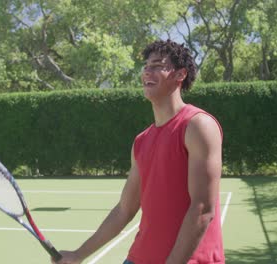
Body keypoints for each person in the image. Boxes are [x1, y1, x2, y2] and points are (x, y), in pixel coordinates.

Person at [53, 39, 225, 264]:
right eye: (145, 67)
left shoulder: (198, 126)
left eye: (156, 66)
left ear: (180, 75)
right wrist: (78, 254)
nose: (147, 72)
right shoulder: (141, 142)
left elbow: (202, 209)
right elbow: (125, 209)